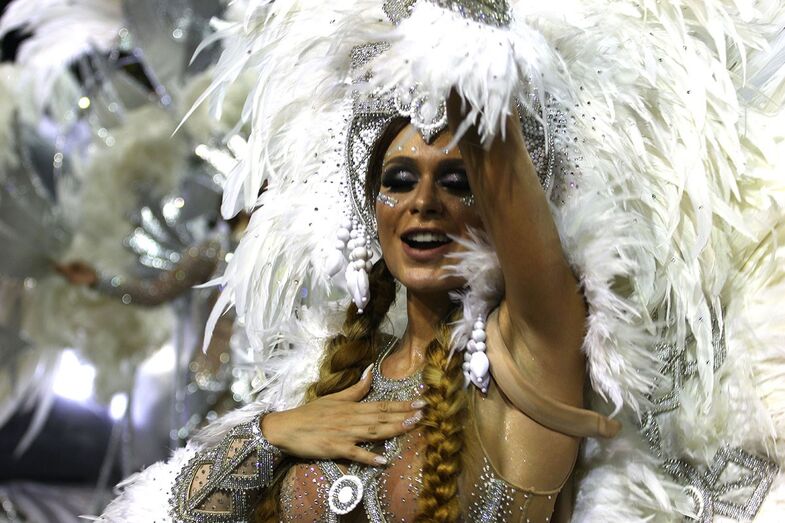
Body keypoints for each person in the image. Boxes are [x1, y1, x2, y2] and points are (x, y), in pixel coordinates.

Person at [98, 1, 785, 522]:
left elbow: (491, 131)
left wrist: (453, 41)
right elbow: (172, 509)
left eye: (455, 181)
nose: (423, 201)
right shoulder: (332, 377)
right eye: (398, 181)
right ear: (372, 210)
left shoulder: (528, 361)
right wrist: (273, 432)